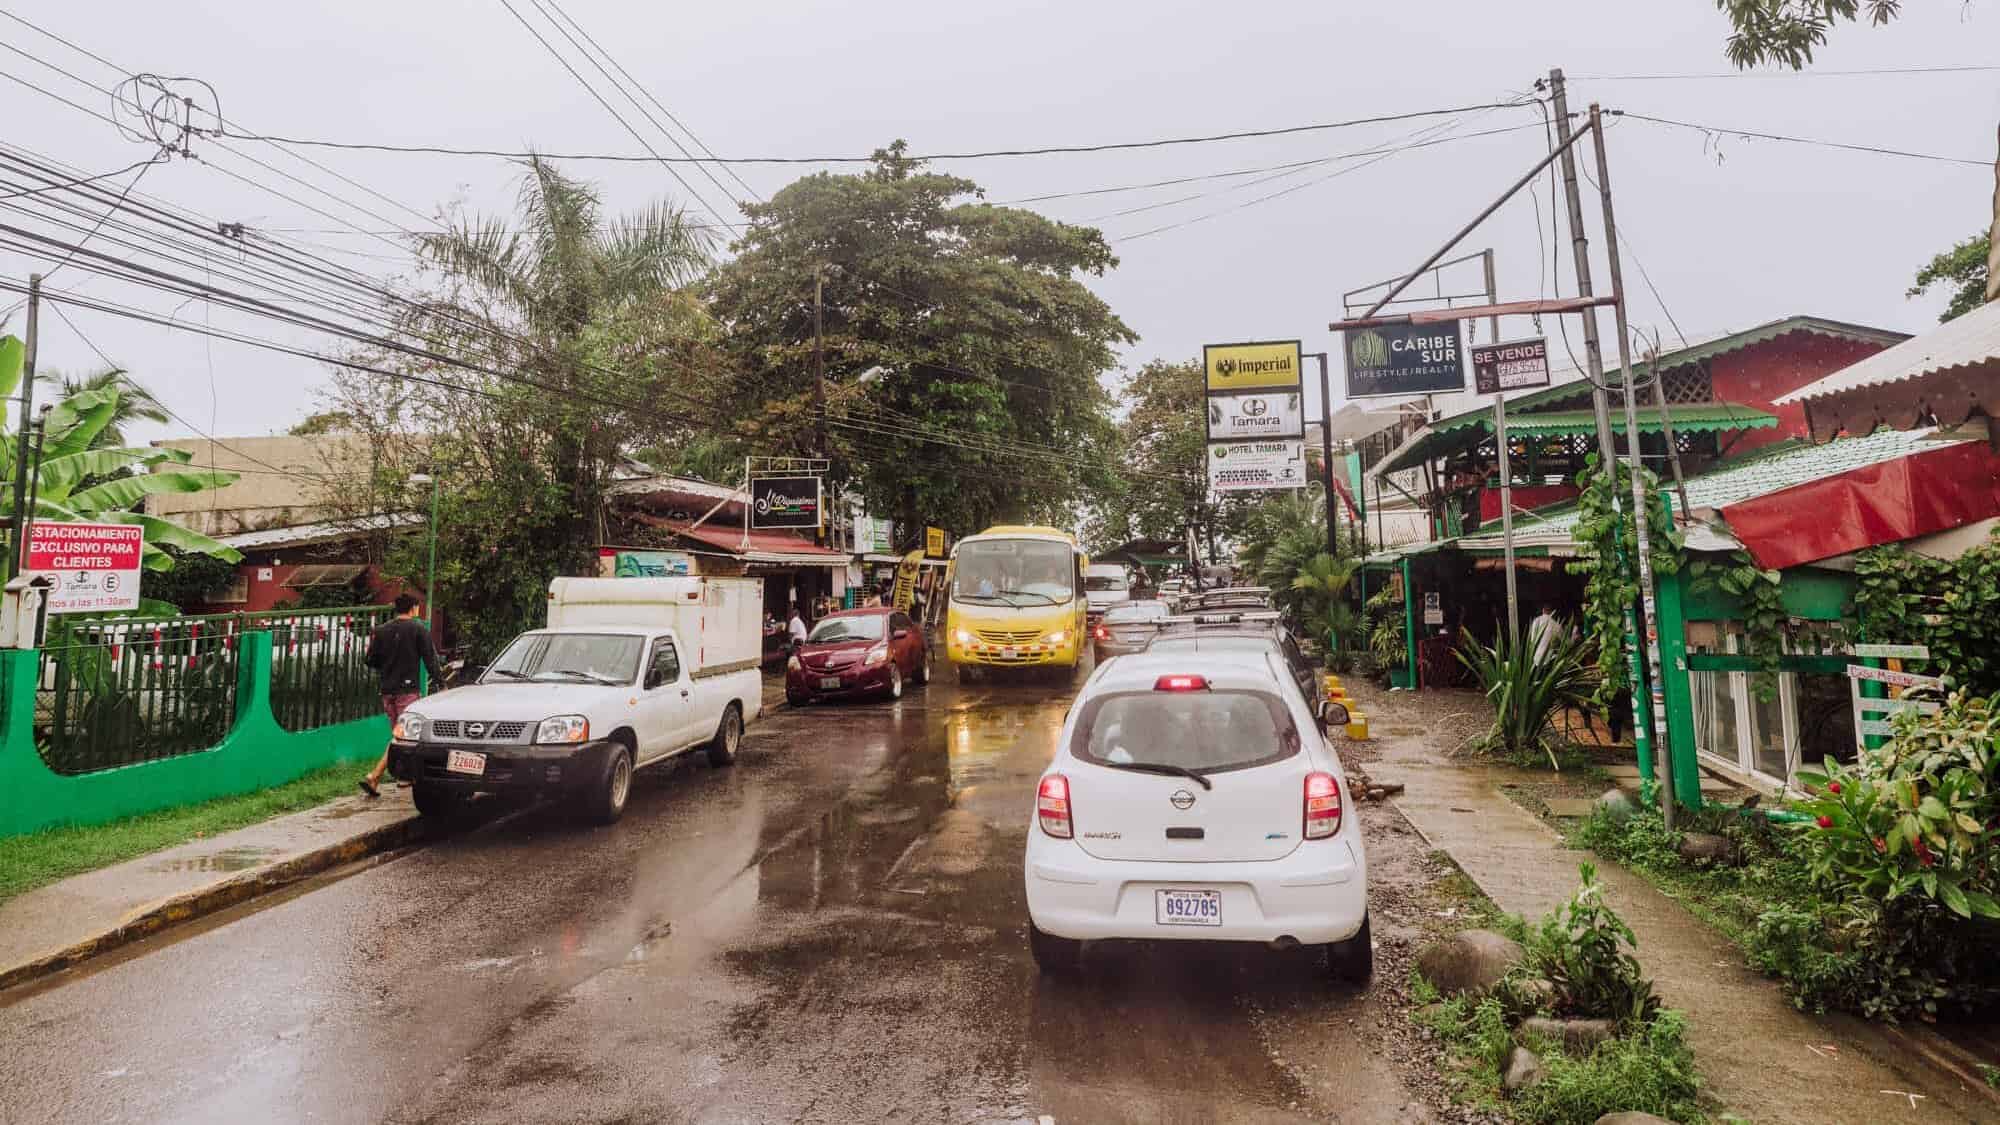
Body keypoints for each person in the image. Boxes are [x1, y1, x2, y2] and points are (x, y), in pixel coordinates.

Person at [359, 593, 443, 798]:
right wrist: (441, 684)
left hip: (387, 691)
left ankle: (402, 778)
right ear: (414, 608)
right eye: (417, 607)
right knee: (402, 736)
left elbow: (370, 660)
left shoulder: (381, 630)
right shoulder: (418, 629)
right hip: (408, 691)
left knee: (400, 735)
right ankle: (375, 776)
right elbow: (430, 659)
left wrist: (388, 666)